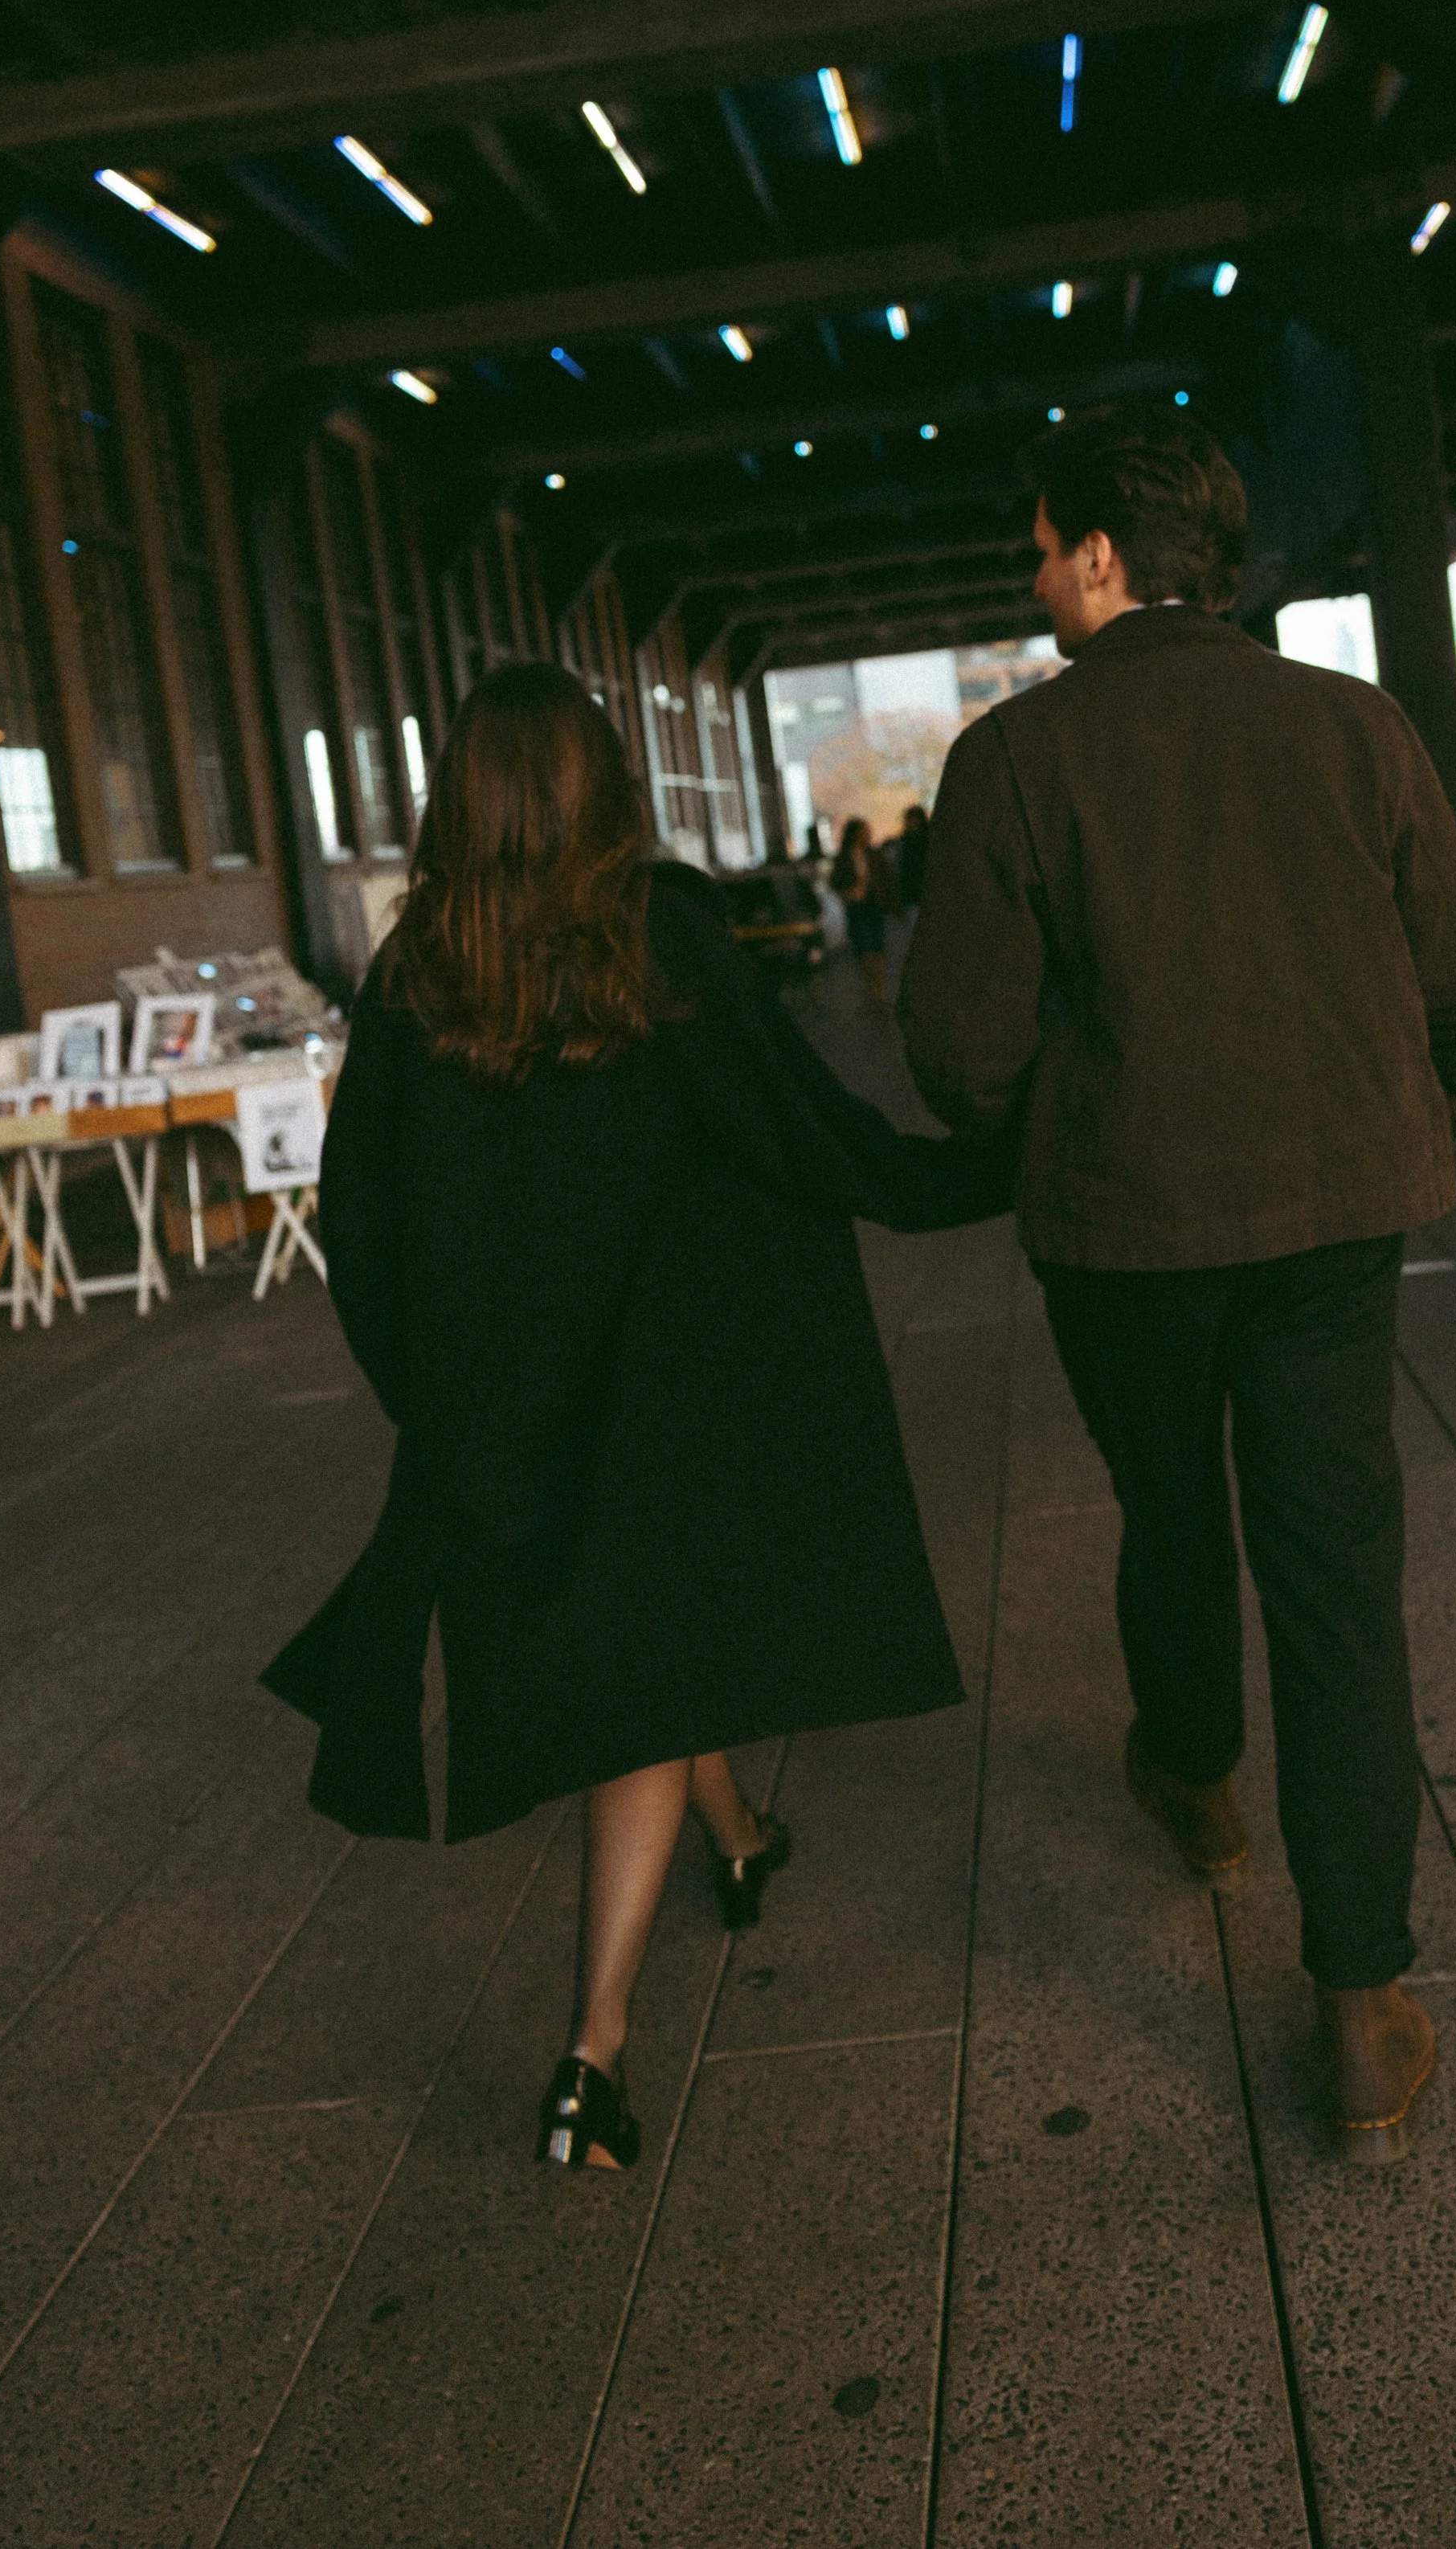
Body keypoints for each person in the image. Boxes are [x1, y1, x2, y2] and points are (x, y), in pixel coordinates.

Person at [264, 665, 1007, 2176]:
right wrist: (984, 1167)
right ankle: (591, 2054)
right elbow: (796, 1128)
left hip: (507, 1412)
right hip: (666, 1401)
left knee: (648, 1644)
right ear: (605, 784)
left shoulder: (419, 975)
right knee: (651, 1683)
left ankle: (737, 1840)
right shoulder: (657, 934)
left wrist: (444, 1409)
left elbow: (362, 1213)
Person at [898, 404, 1456, 2165]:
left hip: (1123, 1233)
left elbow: (958, 1053)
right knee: (1334, 1573)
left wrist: (1069, 1122)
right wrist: (1394, 1122)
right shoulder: (1351, 726)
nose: (1030, 575)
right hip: (1331, 1225)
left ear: (1098, 556)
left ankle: (1195, 1776)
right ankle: (1361, 2007)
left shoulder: (1014, 762)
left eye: (1038, 543)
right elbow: (1455, 983)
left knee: (1166, 1506)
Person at [829, 814, 889, 1003]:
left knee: (877, 945)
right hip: (857, 907)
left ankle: (878, 988)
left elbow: (885, 877)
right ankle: (870, 987)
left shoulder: (873, 854)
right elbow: (835, 881)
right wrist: (848, 893)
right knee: (864, 946)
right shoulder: (845, 857)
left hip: (873, 904)